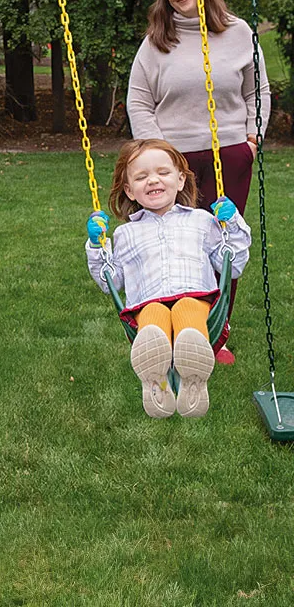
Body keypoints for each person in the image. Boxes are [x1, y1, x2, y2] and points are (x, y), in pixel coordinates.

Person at [126, 0, 270, 364]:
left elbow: (256, 91)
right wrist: (156, 152)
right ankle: (171, 331)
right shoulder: (157, 41)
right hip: (177, 162)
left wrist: (252, 140)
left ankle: (216, 337)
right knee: (178, 245)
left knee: (222, 242)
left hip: (231, 154)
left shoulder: (239, 32)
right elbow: (139, 99)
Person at [86, 139, 251, 419]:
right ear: (130, 190)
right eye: (141, 177)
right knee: (152, 318)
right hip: (148, 306)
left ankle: (192, 372)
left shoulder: (202, 221)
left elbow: (232, 265)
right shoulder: (126, 234)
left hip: (197, 301)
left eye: (163, 172)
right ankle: (156, 378)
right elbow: (110, 282)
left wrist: (232, 223)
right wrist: (97, 245)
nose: (153, 180)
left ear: (181, 179)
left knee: (187, 308)